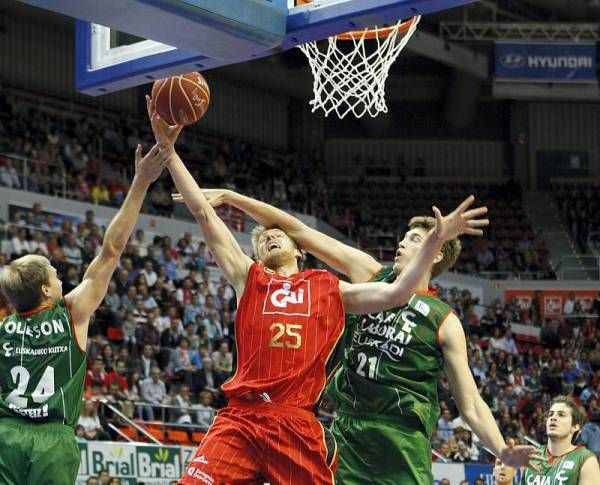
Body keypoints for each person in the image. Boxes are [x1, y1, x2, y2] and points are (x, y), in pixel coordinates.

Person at [146, 96, 489, 485]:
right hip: (241, 417)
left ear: (298, 250)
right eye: (263, 240)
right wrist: (170, 152)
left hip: (296, 421)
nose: (271, 238)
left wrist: (434, 241)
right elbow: (205, 215)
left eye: (278, 235)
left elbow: (396, 293)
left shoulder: (327, 288)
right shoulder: (249, 278)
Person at [186, 190, 544, 483]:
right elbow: (296, 229)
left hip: (401, 442)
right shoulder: (371, 273)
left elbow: (471, 405)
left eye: (414, 239)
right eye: (403, 237)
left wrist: (502, 449)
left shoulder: (445, 320)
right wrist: (235, 199)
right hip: (348, 431)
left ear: (436, 253)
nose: (401, 244)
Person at [0, 143, 170, 484]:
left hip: (5, 435)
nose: (60, 275)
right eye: (53, 273)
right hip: (52, 439)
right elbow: (112, 250)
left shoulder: (3, 330)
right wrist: (140, 182)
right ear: (46, 290)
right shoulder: (71, 312)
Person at [520, 395, 599, 485]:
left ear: (575, 427)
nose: (553, 418)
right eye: (550, 414)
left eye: (561, 415)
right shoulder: (532, 457)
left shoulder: (586, 459)